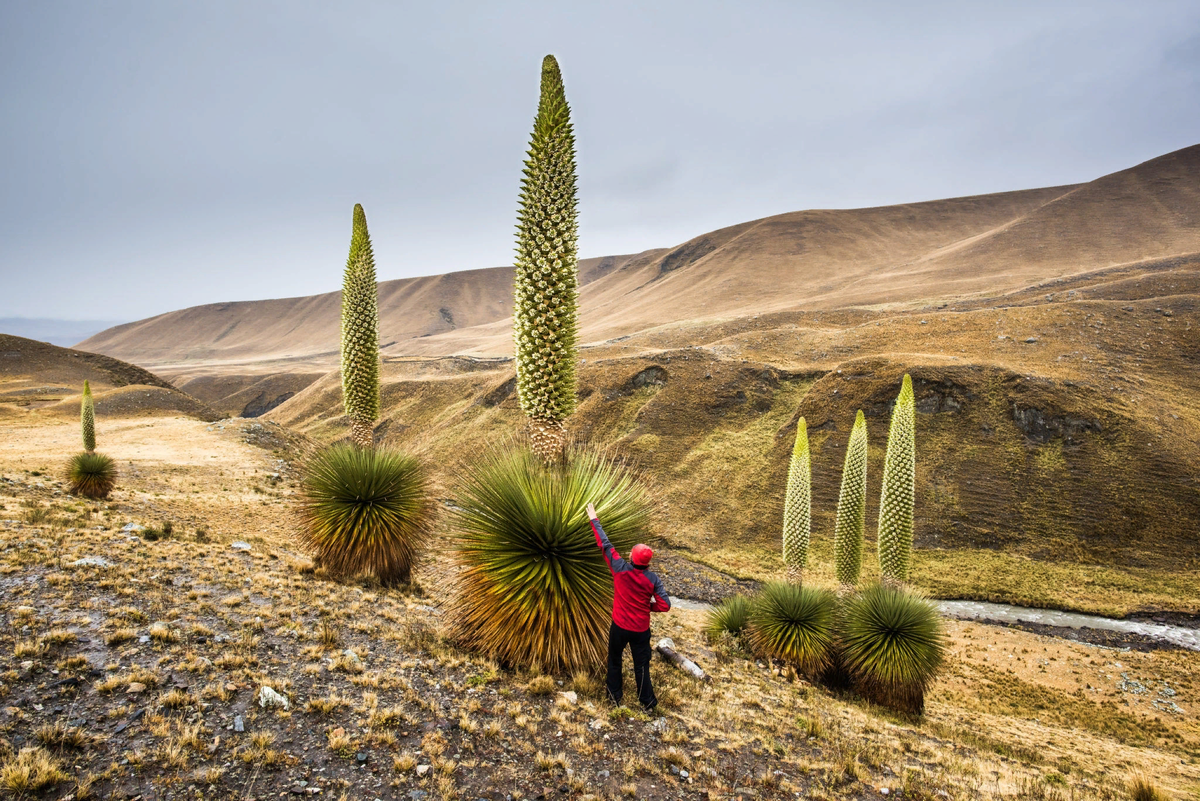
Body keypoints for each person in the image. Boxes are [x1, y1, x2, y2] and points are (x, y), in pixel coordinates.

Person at [586, 501, 671, 711]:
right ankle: (647, 703)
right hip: (640, 630)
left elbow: (605, 545)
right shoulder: (652, 579)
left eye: (631, 553)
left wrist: (593, 519)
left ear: (632, 557)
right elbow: (665, 605)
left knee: (614, 660)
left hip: (620, 627)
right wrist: (647, 607)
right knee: (642, 665)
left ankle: (614, 698)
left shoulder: (620, 569)